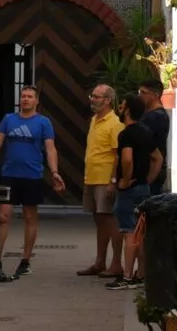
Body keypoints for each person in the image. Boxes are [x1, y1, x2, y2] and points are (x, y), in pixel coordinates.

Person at [0, 86, 65, 278]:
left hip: (32, 176)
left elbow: (50, 148)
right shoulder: (9, 119)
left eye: (30, 97)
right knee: (3, 217)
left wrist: (54, 171)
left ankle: (25, 260)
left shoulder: (43, 122)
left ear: (37, 101)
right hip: (9, 175)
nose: (25, 99)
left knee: (30, 217)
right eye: (23, 96)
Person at [105, 94, 163, 291]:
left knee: (129, 233)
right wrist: (148, 179)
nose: (120, 107)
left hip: (129, 190)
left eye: (121, 104)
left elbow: (127, 159)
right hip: (143, 189)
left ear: (127, 110)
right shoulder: (146, 132)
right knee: (141, 232)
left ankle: (127, 277)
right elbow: (158, 158)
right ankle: (141, 274)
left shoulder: (126, 134)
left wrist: (125, 181)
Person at [76, 84, 124, 278]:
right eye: (92, 95)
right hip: (92, 177)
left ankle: (116, 264)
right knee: (99, 220)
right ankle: (99, 261)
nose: (92, 99)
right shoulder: (95, 120)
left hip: (105, 179)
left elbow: (117, 155)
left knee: (110, 220)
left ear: (107, 100)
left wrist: (113, 180)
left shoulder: (115, 123)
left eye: (97, 97)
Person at [137, 79, 170, 196]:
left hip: (151, 171)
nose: (139, 96)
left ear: (155, 95)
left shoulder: (155, 117)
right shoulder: (150, 115)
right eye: (139, 92)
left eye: (143, 93)